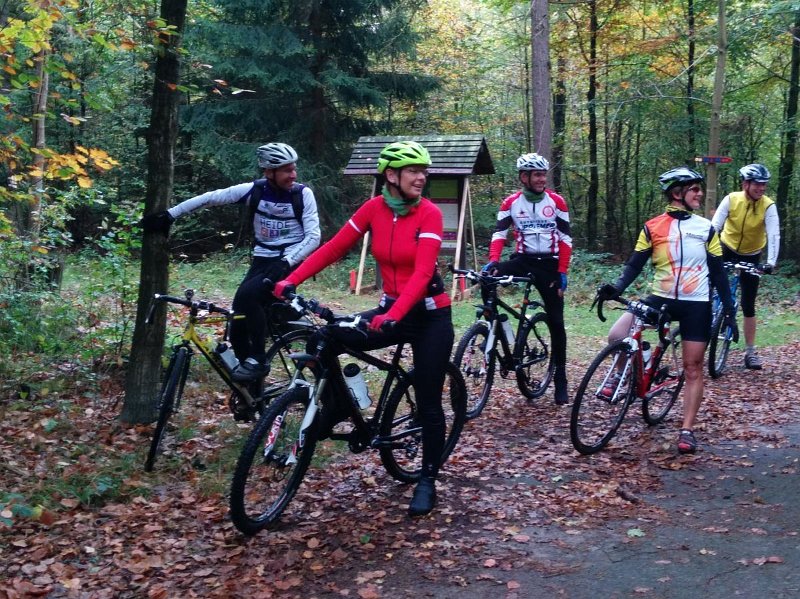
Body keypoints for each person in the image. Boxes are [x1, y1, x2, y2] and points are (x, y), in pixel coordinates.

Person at [272, 141, 453, 518]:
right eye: (414, 170)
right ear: (392, 176)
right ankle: (339, 405)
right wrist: (291, 280)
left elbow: (423, 272)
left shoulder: (429, 214)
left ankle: (427, 479)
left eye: (424, 171)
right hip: (391, 310)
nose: (422, 177)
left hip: (429, 317)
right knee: (325, 337)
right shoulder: (373, 209)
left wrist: (395, 314)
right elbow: (334, 248)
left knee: (429, 401)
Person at [141, 142, 321, 381]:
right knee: (237, 319)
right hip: (262, 259)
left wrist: (287, 262)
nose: (293, 175)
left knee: (250, 296)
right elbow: (211, 198)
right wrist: (170, 215)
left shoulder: (303, 195)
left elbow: (314, 237)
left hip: (289, 260)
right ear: (269, 172)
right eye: (287, 170)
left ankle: (258, 359)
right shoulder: (254, 191)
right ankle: (251, 383)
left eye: (294, 168)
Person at [598, 167, 735, 454]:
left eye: (699, 189)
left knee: (693, 367)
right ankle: (630, 370)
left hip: (696, 305)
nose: (700, 194)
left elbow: (718, 272)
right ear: (677, 193)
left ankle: (687, 430)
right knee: (617, 334)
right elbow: (634, 264)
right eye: (694, 189)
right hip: (660, 298)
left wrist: (730, 310)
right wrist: (617, 287)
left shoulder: (706, 228)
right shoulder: (652, 227)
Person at [482, 152, 572, 406]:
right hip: (523, 260)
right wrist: (493, 260)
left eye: (544, 175)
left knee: (556, 321)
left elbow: (566, 238)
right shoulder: (511, 202)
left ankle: (561, 378)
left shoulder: (556, 201)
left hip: (550, 265)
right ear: (524, 177)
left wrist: (562, 271)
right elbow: (499, 234)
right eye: (537, 175)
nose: (542, 179)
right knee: (487, 277)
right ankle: (493, 324)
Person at [710, 163, 780, 370]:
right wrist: (708, 249)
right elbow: (714, 226)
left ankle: (750, 352)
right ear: (745, 184)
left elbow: (774, 234)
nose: (761, 188)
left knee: (748, 304)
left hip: (752, 254)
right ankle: (710, 319)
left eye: (764, 184)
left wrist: (770, 263)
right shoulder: (731, 199)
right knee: (710, 287)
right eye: (757, 184)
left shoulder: (768, 206)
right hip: (727, 248)